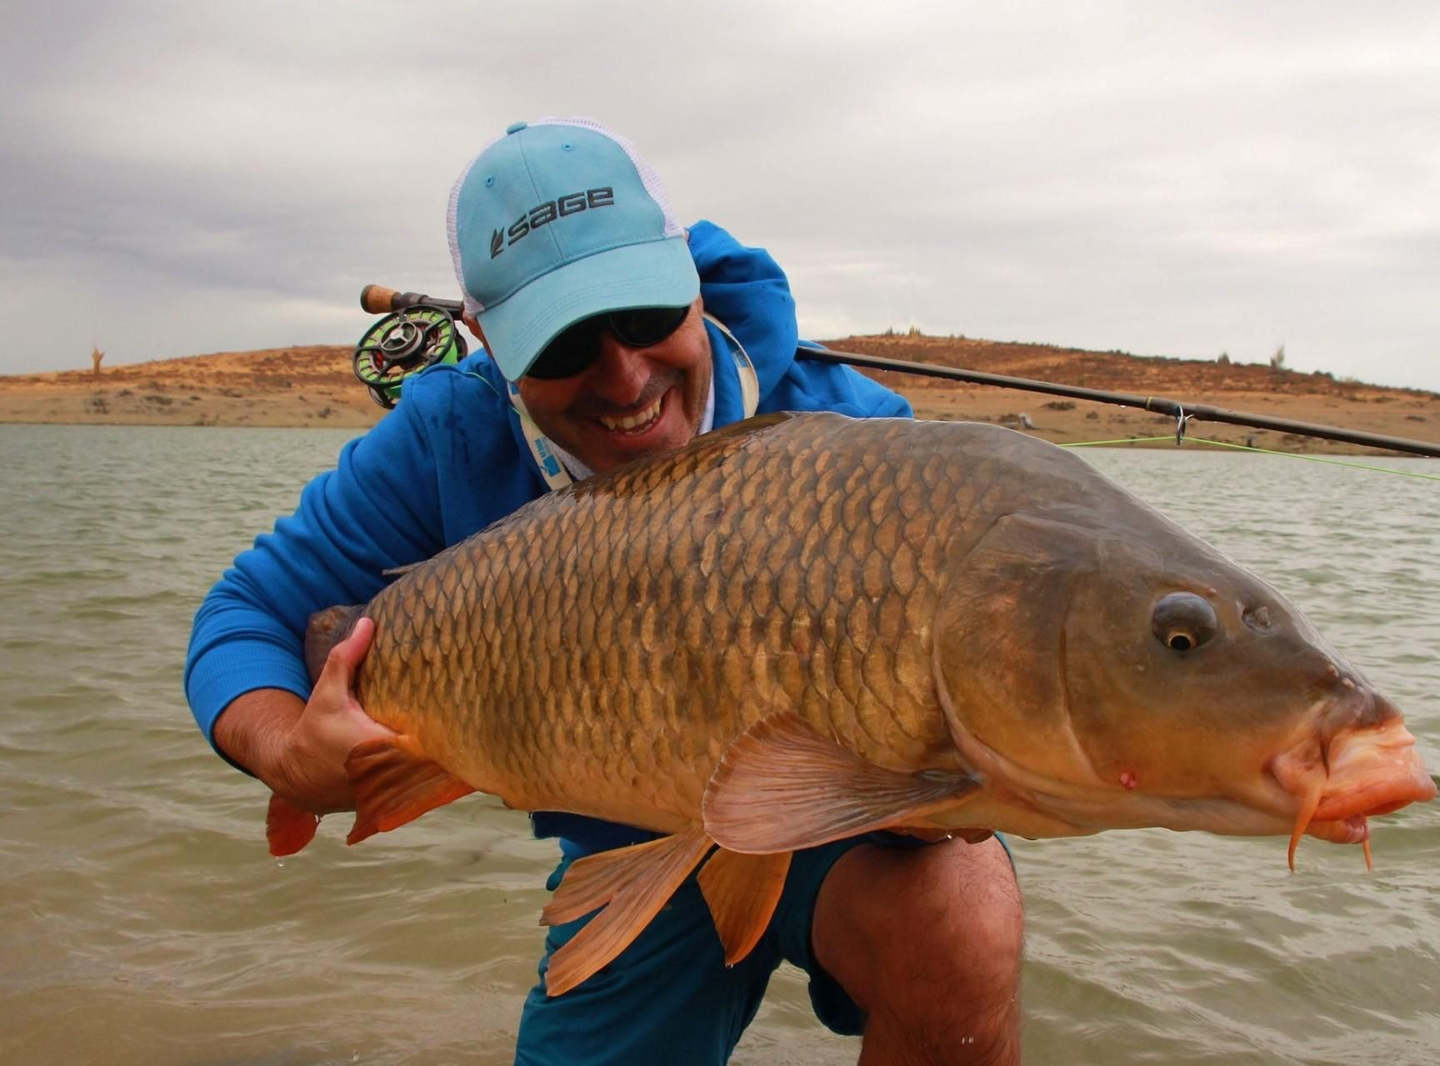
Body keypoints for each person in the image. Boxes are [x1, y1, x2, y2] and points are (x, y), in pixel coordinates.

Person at [185, 118, 1024, 1066]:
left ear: (690, 283)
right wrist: (289, 749)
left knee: (964, 910)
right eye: (565, 343)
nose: (624, 376)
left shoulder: (856, 437)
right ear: (491, 346)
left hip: (828, 841)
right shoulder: (450, 435)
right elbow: (244, 615)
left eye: (645, 315)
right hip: (628, 850)